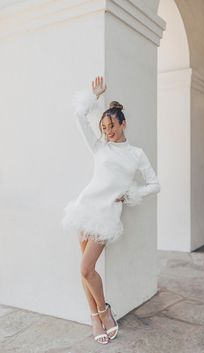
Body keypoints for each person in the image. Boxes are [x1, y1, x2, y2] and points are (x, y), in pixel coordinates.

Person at [62, 76, 161, 344]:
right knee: (85, 270)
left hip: (107, 216)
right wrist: (92, 97)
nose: (108, 131)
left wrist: (131, 194)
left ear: (123, 123)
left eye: (112, 126)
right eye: (104, 127)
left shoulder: (136, 154)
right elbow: (78, 118)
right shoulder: (99, 147)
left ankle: (105, 312)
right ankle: (96, 317)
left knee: (85, 269)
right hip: (86, 209)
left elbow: (154, 184)